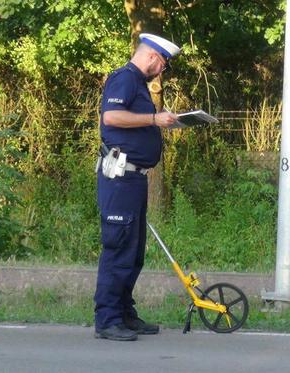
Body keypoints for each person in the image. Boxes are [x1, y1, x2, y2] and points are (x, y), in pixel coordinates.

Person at [94, 33, 180, 341]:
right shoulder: (124, 78)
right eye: (163, 64)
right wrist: (155, 119)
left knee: (133, 252)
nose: (163, 70)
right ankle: (107, 319)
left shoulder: (137, 84)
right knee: (118, 248)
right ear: (153, 58)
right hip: (120, 177)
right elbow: (112, 116)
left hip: (134, 178)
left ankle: (124, 313)